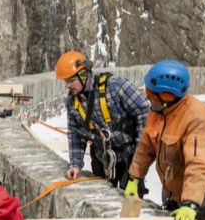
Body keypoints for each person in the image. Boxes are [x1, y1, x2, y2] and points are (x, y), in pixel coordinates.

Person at [123, 60, 205, 220]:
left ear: (166, 96)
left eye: (151, 93)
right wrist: (135, 177)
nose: (146, 96)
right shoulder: (158, 111)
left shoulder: (197, 119)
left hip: (199, 194)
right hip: (171, 187)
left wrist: (190, 204)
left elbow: (198, 165)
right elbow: (146, 146)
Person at [56, 51, 149, 191]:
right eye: (66, 82)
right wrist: (75, 164)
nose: (68, 86)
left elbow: (143, 109)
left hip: (129, 155)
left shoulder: (115, 86)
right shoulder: (72, 102)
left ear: (84, 75)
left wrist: (140, 151)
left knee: (130, 202)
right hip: (103, 158)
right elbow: (75, 134)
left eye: (71, 81)